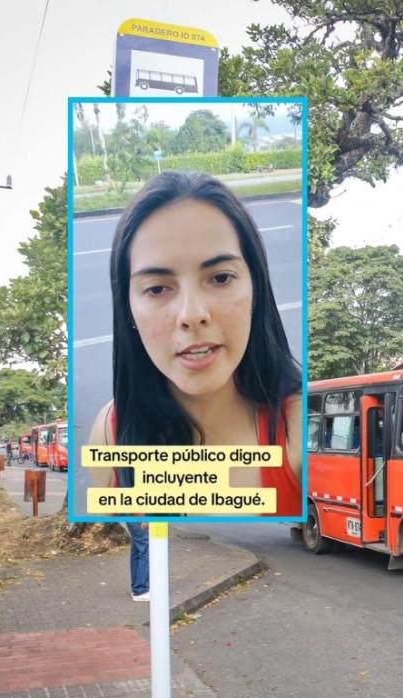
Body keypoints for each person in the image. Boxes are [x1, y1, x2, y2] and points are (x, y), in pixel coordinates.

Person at [86, 172, 304, 599]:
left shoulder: (300, 432)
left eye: (220, 278)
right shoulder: (112, 432)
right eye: (157, 288)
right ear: (128, 307)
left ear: (256, 287)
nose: (192, 314)